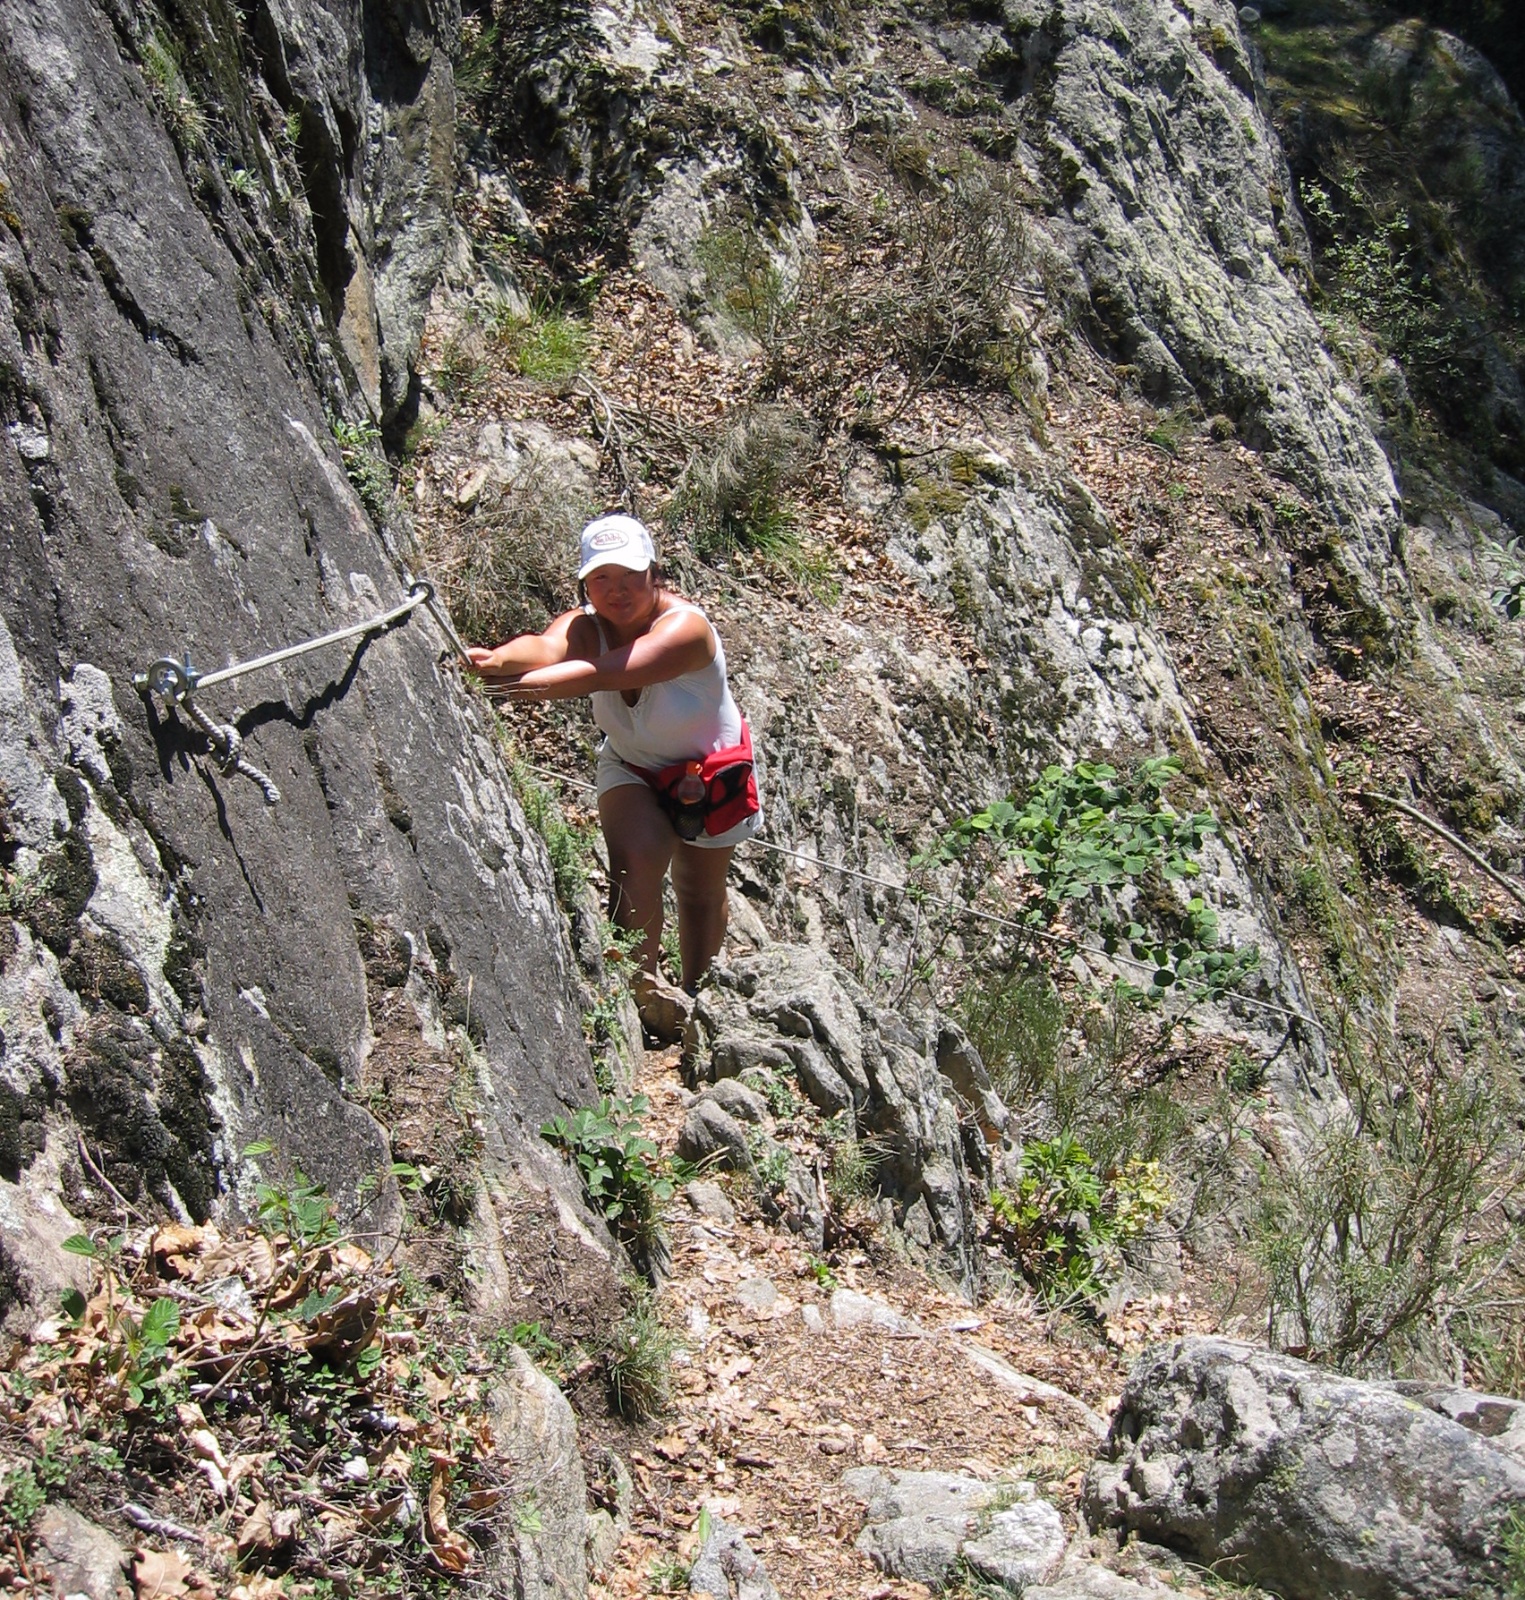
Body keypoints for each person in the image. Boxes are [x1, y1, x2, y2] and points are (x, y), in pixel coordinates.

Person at [465, 513, 762, 1034]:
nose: (617, 591)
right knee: (635, 865)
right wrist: (499, 660)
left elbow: (602, 673)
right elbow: (548, 646)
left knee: (698, 890)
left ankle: (698, 998)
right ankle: (641, 1003)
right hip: (633, 764)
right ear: (584, 583)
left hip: (711, 772)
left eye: (630, 577)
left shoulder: (686, 629)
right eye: (601, 579)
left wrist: (514, 687)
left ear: (655, 574)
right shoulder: (587, 624)